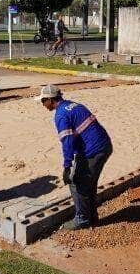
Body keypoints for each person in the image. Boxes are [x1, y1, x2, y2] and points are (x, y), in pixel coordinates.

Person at [39, 85, 113, 230]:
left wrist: (67, 167)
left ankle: (82, 220)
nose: (42, 104)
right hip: (103, 146)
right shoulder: (73, 105)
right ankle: (92, 217)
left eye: (43, 101)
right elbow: (77, 134)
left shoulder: (60, 115)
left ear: (50, 99)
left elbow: (67, 142)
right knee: (88, 184)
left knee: (76, 183)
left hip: (94, 150)